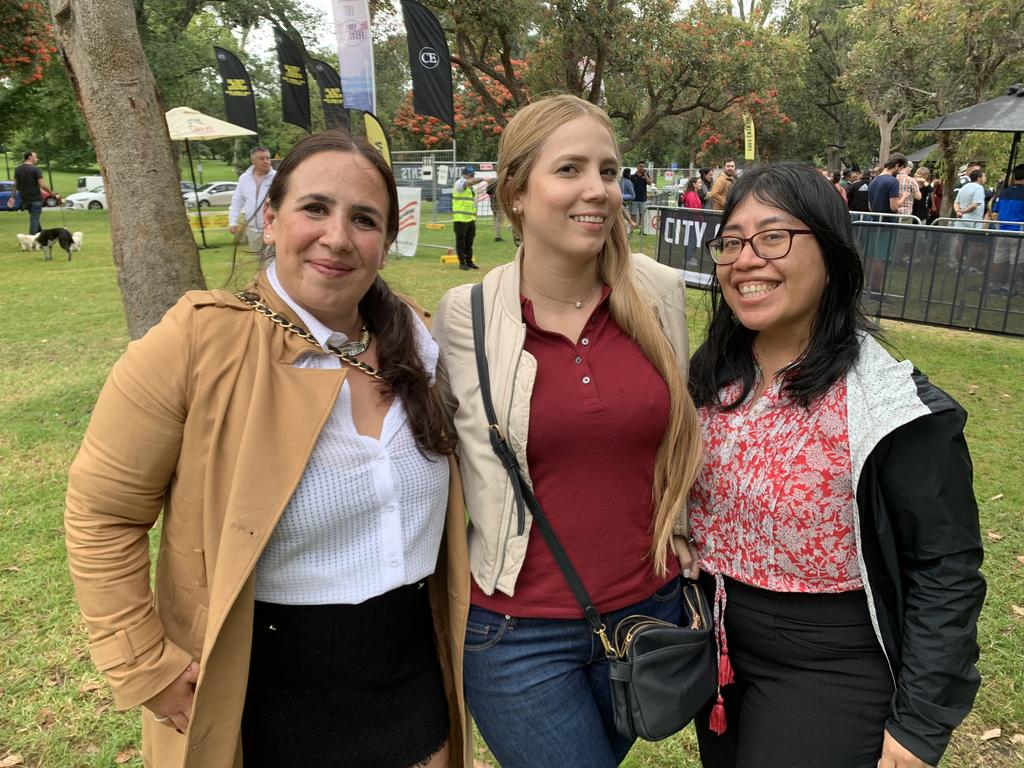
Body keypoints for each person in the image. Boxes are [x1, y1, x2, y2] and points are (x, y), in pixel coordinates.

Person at [65, 131, 471, 768]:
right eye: (315, 209)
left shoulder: (418, 343)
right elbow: (101, 513)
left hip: (413, 692)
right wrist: (142, 663)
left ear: (385, 244)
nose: (337, 236)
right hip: (262, 704)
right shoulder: (196, 343)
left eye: (363, 219)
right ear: (272, 219)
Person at [432, 93, 703, 768]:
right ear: (517, 192)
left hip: (649, 617)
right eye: (571, 169)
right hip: (516, 634)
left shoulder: (659, 293)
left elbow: (681, 434)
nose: (598, 190)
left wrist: (682, 526)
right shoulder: (464, 315)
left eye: (608, 172)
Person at [687, 162, 985, 768]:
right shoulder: (709, 377)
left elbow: (945, 564)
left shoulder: (890, 405)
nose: (747, 259)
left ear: (832, 254)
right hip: (714, 651)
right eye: (731, 241)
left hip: (829, 663)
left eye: (773, 237)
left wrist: (921, 725)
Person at [228, 146, 277, 252]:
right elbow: (237, 201)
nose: (266, 161)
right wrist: (232, 221)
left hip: (272, 229)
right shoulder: (244, 178)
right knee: (258, 263)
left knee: (273, 262)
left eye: (268, 158)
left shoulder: (277, 177)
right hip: (253, 231)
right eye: (261, 159)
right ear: (253, 161)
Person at [987, 163, 1024, 293]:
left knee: (998, 259)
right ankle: (1009, 286)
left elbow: (995, 213)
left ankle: (994, 284)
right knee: (1017, 261)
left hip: (1002, 230)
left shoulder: (1004, 192)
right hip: (1019, 232)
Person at [7, 151, 52, 235]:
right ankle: (31, 240)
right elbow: (42, 185)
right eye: (35, 157)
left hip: (25, 199)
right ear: (30, 157)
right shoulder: (35, 169)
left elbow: (15, 185)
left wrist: (12, 197)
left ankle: (41, 236)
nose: (37, 159)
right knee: (34, 219)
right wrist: (51, 193)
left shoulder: (18, 169)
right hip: (36, 199)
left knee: (35, 218)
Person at [453, 164, 482, 270]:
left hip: (470, 219)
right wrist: (483, 179)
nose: (473, 177)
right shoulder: (459, 184)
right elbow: (468, 182)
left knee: (469, 242)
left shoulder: (471, 188)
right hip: (460, 219)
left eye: (473, 174)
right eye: (471, 175)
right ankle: (462, 262)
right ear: (465, 175)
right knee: (461, 243)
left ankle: (469, 261)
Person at [629, 161, 653, 228]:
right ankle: (632, 228)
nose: (641, 167)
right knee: (633, 214)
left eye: (643, 166)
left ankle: (642, 229)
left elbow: (649, 183)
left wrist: (645, 174)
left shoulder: (645, 175)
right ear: (637, 167)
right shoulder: (632, 176)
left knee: (642, 214)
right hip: (634, 199)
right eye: (640, 166)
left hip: (643, 199)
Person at [486, 176, 504, 241]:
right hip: (498, 203)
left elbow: (487, 191)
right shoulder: (500, 181)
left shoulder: (492, 181)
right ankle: (497, 236)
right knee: (499, 219)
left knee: (496, 218)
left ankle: (497, 234)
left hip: (493, 203)